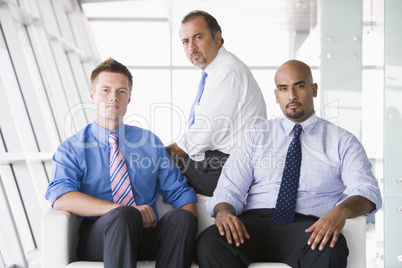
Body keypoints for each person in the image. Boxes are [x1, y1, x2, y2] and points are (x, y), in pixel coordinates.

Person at [196, 60, 382, 267]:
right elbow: (229, 189)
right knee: (210, 243)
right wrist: (223, 212)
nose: (291, 96)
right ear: (276, 95)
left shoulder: (342, 141)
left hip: (309, 228)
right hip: (254, 225)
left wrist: (341, 211)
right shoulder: (256, 136)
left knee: (329, 248)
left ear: (313, 90)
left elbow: (367, 191)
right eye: (283, 89)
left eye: (299, 86)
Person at [45, 58, 198, 268]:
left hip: (147, 234)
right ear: (92, 95)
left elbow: (179, 192)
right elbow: (61, 196)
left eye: (121, 91)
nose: (113, 98)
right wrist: (118, 209)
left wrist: (193, 233)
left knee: (183, 219)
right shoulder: (72, 148)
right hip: (100, 238)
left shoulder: (149, 142)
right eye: (105, 90)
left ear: (129, 98)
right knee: (124, 215)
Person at [166, 10, 267, 197]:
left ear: (217, 38)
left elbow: (200, 136)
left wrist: (162, 152)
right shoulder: (218, 71)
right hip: (224, 164)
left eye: (198, 37)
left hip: (226, 170)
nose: (191, 47)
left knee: (149, 165)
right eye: (185, 41)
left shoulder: (227, 73)